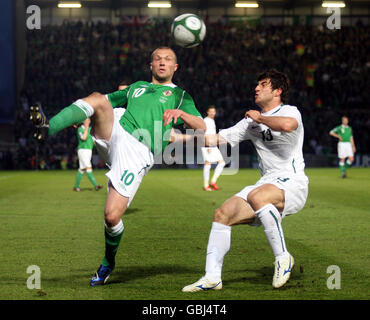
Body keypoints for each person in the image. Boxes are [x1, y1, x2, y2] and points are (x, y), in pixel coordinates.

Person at [29, 46, 206, 286]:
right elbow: (104, 103)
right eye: (157, 59)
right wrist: (82, 117)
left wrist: (181, 115)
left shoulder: (180, 96)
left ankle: (108, 263)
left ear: (176, 67)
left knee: (112, 217)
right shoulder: (136, 87)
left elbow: (201, 126)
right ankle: (49, 127)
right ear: (151, 65)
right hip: (117, 133)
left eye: (168, 60)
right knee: (97, 98)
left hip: (138, 153)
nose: (162, 62)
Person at [182, 69, 309, 291]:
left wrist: (260, 118)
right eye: (257, 84)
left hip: (293, 182)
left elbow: (288, 126)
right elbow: (215, 140)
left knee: (256, 195)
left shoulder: (290, 111)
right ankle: (212, 277)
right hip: (267, 183)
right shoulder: (249, 122)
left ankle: (283, 257)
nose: (256, 88)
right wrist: (175, 137)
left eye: (263, 84)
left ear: (278, 91)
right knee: (222, 214)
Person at [73, 118, 102, 192]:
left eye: (89, 120)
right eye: (87, 120)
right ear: (84, 121)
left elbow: (93, 140)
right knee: (88, 167)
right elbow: (84, 138)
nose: (88, 121)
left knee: (82, 169)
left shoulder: (90, 129)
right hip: (83, 150)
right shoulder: (80, 129)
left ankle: (75, 187)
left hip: (89, 150)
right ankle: (96, 185)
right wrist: (86, 128)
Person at [201, 106, 225, 191]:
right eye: (211, 111)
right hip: (208, 145)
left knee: (221, 163)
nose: (212, 113)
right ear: (207, 112)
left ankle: (213, 182)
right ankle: (206, 185)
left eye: (214, 111)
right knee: (208, 163)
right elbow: (205, 133)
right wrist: (208, 145)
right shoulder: (206, 121)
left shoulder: (212, 120)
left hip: (213, 145)